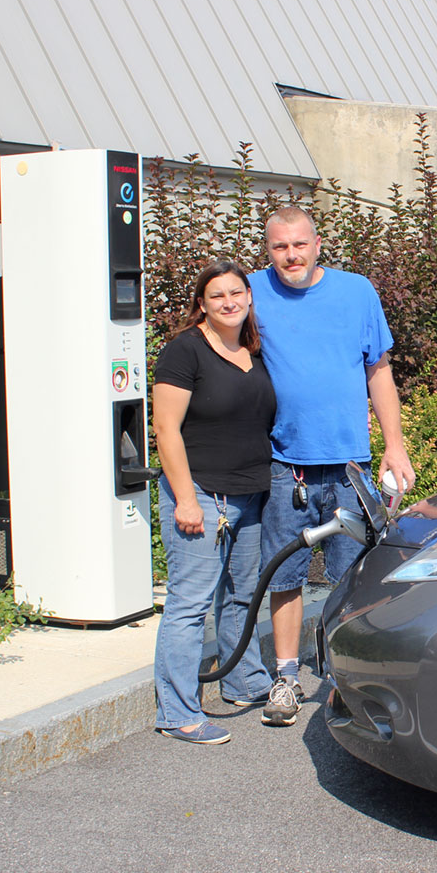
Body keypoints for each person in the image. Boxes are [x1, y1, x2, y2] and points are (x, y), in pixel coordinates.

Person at [250, 205, 416, 727]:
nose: (290, 255)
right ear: (268, 249)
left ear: (318, 243)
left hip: (349, 464)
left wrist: (396, 444)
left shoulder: (356, 292)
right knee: (286, 574)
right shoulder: (251, 292)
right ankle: (285, 678)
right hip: (284, 465)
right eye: (280, 246)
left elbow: (379, 369)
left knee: (354, 575)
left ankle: (348, 678)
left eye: (299, 244)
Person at [152, 261, 276, 744]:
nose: (229, 301)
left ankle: (243, 682)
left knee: (243, 594)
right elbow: (165, 429)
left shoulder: (254, 349)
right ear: (201, 303)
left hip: (250, 493)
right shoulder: (185, 351)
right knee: (189, 603)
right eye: (217, 295)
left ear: (248, 297)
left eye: (236, 292)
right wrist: (185, 498)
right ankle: (177, 713)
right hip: (201, 492)